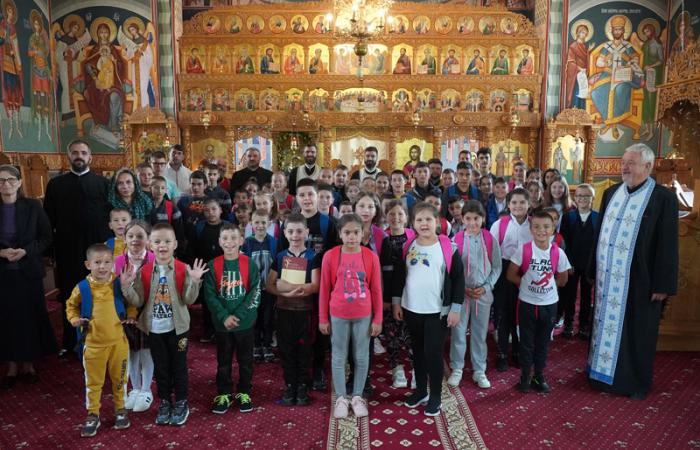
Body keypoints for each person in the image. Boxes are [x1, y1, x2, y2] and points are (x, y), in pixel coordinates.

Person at [587, 144, 678, 400]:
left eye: (631, 163)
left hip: (642, 280)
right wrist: (593, 269)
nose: (624, 167)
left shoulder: (662, 198)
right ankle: (599, 374)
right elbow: (599, 234)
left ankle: (634, 382)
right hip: (608, 279)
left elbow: (668, 244)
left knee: (638, 330)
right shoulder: (611, 193)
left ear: (647, 166)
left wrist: (662, 284)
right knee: (604, 325)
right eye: (623, 162)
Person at [392, 202, 464, 416]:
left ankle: (436, 396)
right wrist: (397, 302)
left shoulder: (448, 247)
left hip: (437, 311)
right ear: (412, 223)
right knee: (417, 352)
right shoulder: (409, 246)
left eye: (428, 219)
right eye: (419, 220)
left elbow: (458, 279)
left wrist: (455, 308)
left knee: (433, 353)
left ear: (437, 222)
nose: (424, 223)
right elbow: (399, 276)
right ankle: (421, 391)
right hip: (412, 308)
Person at [44, 139, 111, 357]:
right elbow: (48, 221)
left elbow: (110, 219)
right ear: (69, 156)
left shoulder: (103, 184)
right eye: (75, 152)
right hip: (68, 250)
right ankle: (70, 341)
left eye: (83, 152)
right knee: (70, 294)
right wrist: (50, 252)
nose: (79, 156)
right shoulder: (56, 185)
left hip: (98, 250)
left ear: (90, 157)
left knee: (99, 293)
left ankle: (99, 339)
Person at [67, 243, 137, 436]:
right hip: (93, 345)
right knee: (93, 382)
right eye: (97, 262)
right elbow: (71, 306)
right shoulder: (82, 287)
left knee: (120, 379)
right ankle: (93, 414)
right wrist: (74, 319)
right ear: (88, 264)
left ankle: (120, 409)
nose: (102, 266)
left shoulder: (118, 283)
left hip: (118, 343)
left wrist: (131, 315)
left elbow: (131, 302)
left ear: (112, 263)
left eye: (107, 262)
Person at [319, 213, 383, 418]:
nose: (352, 237)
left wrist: (378, 319)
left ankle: (357, 396)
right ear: (340, 233)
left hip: (363, 314)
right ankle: (341, 397)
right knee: (339, 356)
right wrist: (322, 318)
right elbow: (324, 289)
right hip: (338, 314)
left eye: (356, 232)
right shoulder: (331, 256)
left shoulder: (370, 256)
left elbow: (376, 290)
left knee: (361, 356)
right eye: (347, 232)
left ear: (363, 233)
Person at [0, 165, 56, 387]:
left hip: (28, 271)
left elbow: (46, 236)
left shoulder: (32, 206)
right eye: (1, 180)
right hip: (3, 273)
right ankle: (12, 366)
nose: (6, 184)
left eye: (10, 179)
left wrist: (25, 251)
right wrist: (1, 253)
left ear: (19, 182)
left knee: (29, 318)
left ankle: (29, 364)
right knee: (6, 319)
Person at [507, 209, 570, 393]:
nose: (541, 230)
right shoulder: (524, 250)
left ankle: (539, 375)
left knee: (543, 343)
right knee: (526, 341)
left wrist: (549, 288)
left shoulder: (558, 253)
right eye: (536, 227)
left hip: (549, 305)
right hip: (527, 303)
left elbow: (563, 279)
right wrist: (526, 285)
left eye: (546, 227)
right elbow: (511, 274)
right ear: (531, 229)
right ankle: (525, 375)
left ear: (553, 229)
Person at [204, 223, 260, 415]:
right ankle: (224, 393)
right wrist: (224, 316)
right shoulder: (213, 265)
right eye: (225, 238)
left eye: (234, 238)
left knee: (246, 360)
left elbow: (254, 293)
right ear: (220, 241)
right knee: (224, 361)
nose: (229, 242)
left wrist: (238, 315)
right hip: (223, 325)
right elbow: (210, 296)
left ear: (241, 240)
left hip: (244, 323)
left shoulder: (249, 264)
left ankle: (244, 391)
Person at [266, 214, 321, 406]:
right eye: (291, 231)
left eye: (299, 231)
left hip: (305, 312)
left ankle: (303, 386)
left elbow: (315, 286)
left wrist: (286, 286)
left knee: (304, 350)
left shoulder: (313, 257)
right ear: (285, 233)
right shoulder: (280, 256)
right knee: (286, 349)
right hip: (284, 310)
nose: (295, 235)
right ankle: (290, 385)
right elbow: (270, 285)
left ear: (306, 232)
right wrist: (287, 292)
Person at [448, 200, 501, 389]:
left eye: (476, 218)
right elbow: (452, 270)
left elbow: (497, 267)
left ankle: (479, 369)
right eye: (468, 218)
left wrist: (486, 287)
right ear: (462, 219)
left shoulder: (490, 239)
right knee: (458, 332)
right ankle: (457, 368)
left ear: (483, 219)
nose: (472, 223)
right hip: (462, 294)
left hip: (482, 294)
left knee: (479, 333)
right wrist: (461, 288)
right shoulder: (456, 240)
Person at [113, 220, 156, 413]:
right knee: (130, 352)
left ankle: (146, 389)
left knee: (146, 351)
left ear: (148, 239)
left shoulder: (154, 259)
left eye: (140, 236)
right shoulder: (118, 261)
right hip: (125, 314)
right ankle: (135, 388)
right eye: (130, 236)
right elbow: (114, 290)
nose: (135, 240)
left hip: (147, 312)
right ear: (124, 238)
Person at [490, 188, 532, 371]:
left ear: (529, 204)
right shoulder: (499, 224)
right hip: (504, 270)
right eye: (514, 202)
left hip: (526, 271)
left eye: (522, 202)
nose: (518, 206)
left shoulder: (534, 225)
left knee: (521, 313)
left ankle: (517, 350)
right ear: (508, 204)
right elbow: (492, 252)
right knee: (504, 313)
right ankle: (502, 353)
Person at [380, 200, 415, 389]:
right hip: (390, 295)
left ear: (407, 217)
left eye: (400, 214)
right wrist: (387, 299)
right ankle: (397, 368)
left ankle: (416, 369)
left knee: (411, 334)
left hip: (411, 295)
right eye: (392, 214)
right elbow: (383, 272)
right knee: (391, 333)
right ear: (386, 217)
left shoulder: (413, 239)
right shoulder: (384, 241)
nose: (396, 218)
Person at [560, 184, 598, 339]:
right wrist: (568, 263)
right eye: (579, 196)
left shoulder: (598, 218)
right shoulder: (568, 217)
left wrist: (593, 265)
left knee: (587, 296)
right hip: (572, 264)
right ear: (575, 198)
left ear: (593, 198)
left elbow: (599, 243)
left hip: (589, 264)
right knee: (569, 295)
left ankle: (583, 325)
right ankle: (568, 324)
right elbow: (564, 242)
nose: (582, 199)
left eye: (586, 196)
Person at [241, 209, 276, 362]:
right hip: (253, 289)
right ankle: (256, 345)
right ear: (251, 224)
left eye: (263, 222)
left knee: (268, 318)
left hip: (268, 288)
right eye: (257, 222)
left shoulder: (274, 242)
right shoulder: (247, 243)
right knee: (254, 318)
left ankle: (267, 345)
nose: (260, 225)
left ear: (269, 224)